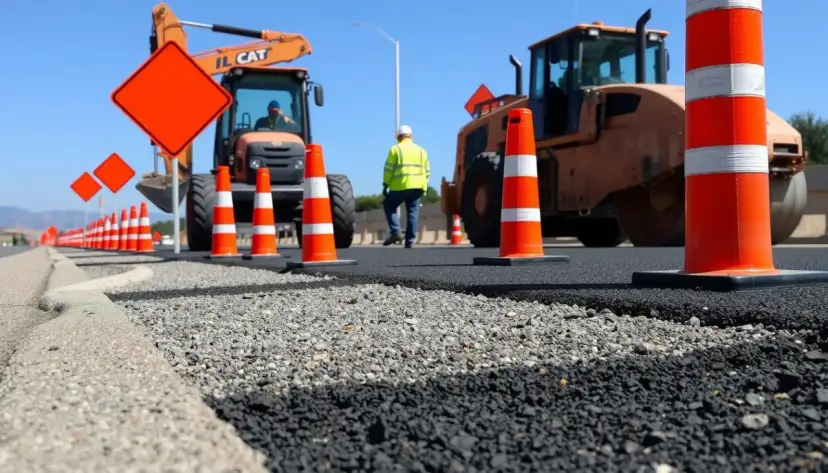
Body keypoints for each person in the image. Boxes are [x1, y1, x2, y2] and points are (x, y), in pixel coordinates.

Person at [382, 125, 430, 248]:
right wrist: (424, 187)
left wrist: (385, 184)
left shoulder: (395, 149)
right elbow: (427, 171)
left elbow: (388, 169)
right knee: (413, 212)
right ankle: (410, 241)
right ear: (411, 136)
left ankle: (396, 232)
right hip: (418, 186)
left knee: (389, 205)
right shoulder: (422, 151)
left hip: (401, 185)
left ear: (398, 137)